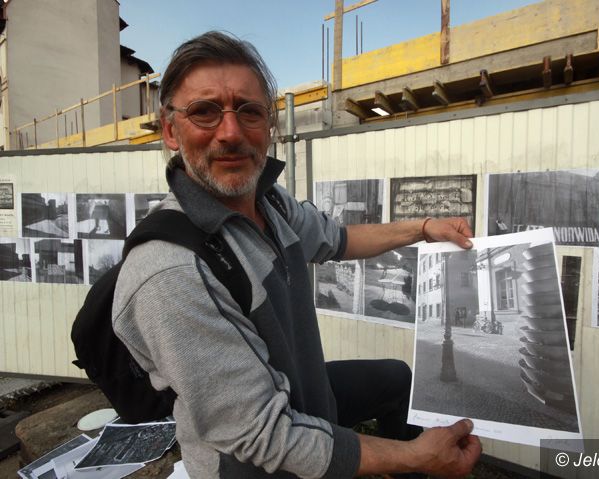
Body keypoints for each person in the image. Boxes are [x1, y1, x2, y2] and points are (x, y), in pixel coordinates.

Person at [112, 31, 481, 478]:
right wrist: (414, 456)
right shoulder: (169, 271)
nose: (230, 132)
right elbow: (264, 435)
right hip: (252, 463)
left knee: (395, 378)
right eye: (204, 111)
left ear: (269, 127)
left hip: (308, 398)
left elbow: (338, 238)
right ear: (170, 130)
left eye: (248, 111)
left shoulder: (270, 202)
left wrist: (423, 228)